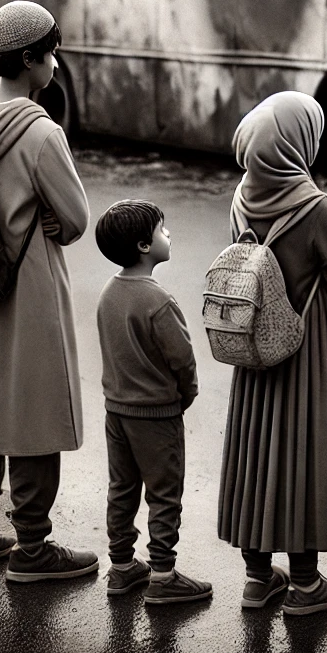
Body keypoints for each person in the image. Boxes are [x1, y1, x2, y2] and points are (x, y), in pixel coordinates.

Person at [0, 0, 97, 581]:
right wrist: (48, 221)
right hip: (30, 286)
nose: (56, 62)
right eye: (52, 51)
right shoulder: (41, 134)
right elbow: (77, 217)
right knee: (33, 410)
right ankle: (33, 549)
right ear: (32, 58)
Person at [218, 91, 327, 615]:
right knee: (304, 455)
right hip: (307, 351)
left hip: (253, 348)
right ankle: (305, 585)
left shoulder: (240, 197)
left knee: (257, 455)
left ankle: (259, 580)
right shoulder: (314, 205)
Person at [94, 199, 211, 606]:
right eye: (163, 230)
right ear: (145, 246)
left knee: (122, 488)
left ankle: (122, 566)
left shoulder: (109, 293)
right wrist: (186, 395)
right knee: (164, 493)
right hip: (157, 415)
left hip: (117, 411)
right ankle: (163, 573)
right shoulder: (159, 301)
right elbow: (182, 359)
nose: (169, 235)